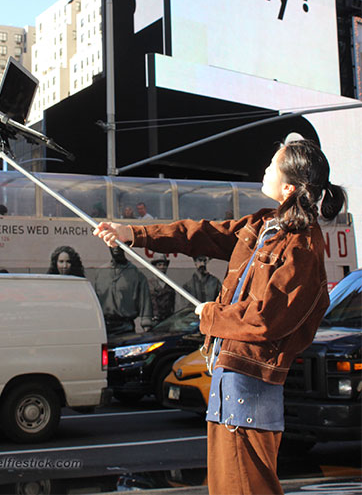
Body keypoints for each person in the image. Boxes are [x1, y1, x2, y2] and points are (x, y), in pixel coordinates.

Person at [92, 139, 346, 495]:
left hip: (250, 382)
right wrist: (133, 234)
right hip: (230, 379)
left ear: (288, 187)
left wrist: (212, 315)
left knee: (246, 486)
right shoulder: (264, 225)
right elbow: (204, 234)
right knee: (229, 485)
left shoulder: (302, 248)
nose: (265, 169)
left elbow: (266, 319)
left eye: (272, 165)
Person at [94, 246, 153, 335]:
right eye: (112, 244)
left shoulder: (136, 274)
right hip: (104, 327)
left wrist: (146, 325)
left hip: (126, 328)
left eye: (119, 243)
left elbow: (145, 304)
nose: (116, 247)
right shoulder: (100, 272)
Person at [148, 253, 175, 323]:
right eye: (159, 265)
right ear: (154, 267)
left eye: (164, 265)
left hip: (167, 322)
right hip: (153, 322)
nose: (162, 267)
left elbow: (173, 306)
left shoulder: (170, 285)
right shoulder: (149, 284)